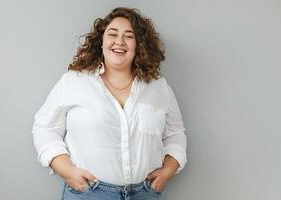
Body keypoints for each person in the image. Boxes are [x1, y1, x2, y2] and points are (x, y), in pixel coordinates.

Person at [32, 7, 187, 200]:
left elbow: (175, 134)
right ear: (101, 42)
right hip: (88, 194)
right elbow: (44, 128)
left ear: (139, 45)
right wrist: (65, 170)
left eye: (129, 36)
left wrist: (168, 171)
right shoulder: (73, 82)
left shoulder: (158, 87)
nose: (119, 42)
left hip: (145, 194)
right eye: (112, 34)